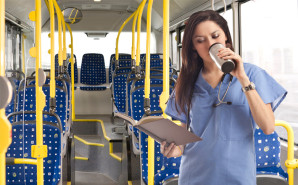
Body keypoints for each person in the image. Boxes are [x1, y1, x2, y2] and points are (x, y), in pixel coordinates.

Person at [161, 10, 287, 185]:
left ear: (226, 38)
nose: (210, 44)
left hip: (238, 175)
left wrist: (242, 79)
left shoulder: (251, 74)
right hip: (194, 175)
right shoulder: (187, 81)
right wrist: (175, 149)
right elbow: (183, 137)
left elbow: (267, 127)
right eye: (200, 40)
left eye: (215, 36)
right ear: (194, 47)